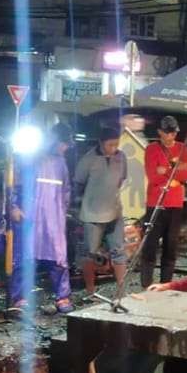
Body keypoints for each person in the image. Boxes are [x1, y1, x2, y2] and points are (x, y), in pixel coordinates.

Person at [7, 124, 74, 317]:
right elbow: (14, 185)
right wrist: (14, 207)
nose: (65, 149)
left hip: (54, 219)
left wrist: (62, 212)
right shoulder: (30, 159)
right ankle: (20, 297)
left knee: (58, 259)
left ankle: (62, 296)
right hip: (30, 217)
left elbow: (66, 191)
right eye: (63, 145)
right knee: (25, 257)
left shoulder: (61, 163)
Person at [74, 127, 128, 297]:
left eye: (116, 144)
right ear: (101, 143)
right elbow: (78, 183)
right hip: (92, 214)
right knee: (90, 253)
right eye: (110, 144)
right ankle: (90, 290)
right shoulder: (88, 159)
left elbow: (122, 180)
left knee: (119, 250)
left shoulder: (121, 157)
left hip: (115, 211)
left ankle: (121, 291)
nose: (114, 148)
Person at [139, 115, 187, 287]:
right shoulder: (152, 149)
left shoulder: (182, 148)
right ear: (160, 132)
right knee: (150, 246)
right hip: (156, 203)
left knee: (171, 247)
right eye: (167, 133)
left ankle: (166, 285)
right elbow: (153, 176)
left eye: (173, 133)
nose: (171, 137)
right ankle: (146, 284)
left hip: (175, 204)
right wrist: (175, 172)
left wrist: (166, 170)